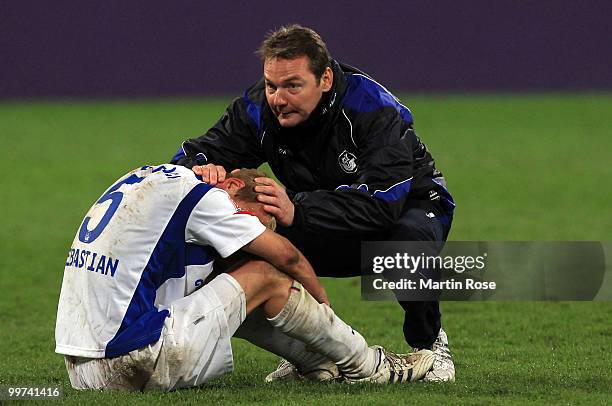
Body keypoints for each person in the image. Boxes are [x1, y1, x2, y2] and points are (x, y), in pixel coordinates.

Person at [171, 24, 456, 382]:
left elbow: (384, 203)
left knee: (406, 246)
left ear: (324, 79)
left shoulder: (373, 108)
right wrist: (200, 169)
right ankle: (308, 356)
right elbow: (193, 155)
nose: (277, 98)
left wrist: (298, 209)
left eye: (292, 85)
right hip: (313, 208)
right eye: (272, 85)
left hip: (407, 206)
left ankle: (429, 345)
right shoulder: (259, 108)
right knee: (246, 243)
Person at [55, 164, 435, 391]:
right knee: (267, 272)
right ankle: (369, 367)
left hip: (83, 371)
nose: (256, 233)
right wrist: (322, 302)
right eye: (259, 219)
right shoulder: (210, 199)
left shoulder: (156, 181)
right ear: (235, 187)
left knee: (229, 277)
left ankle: (317, 364)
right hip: (134, 358)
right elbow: (287, 255)